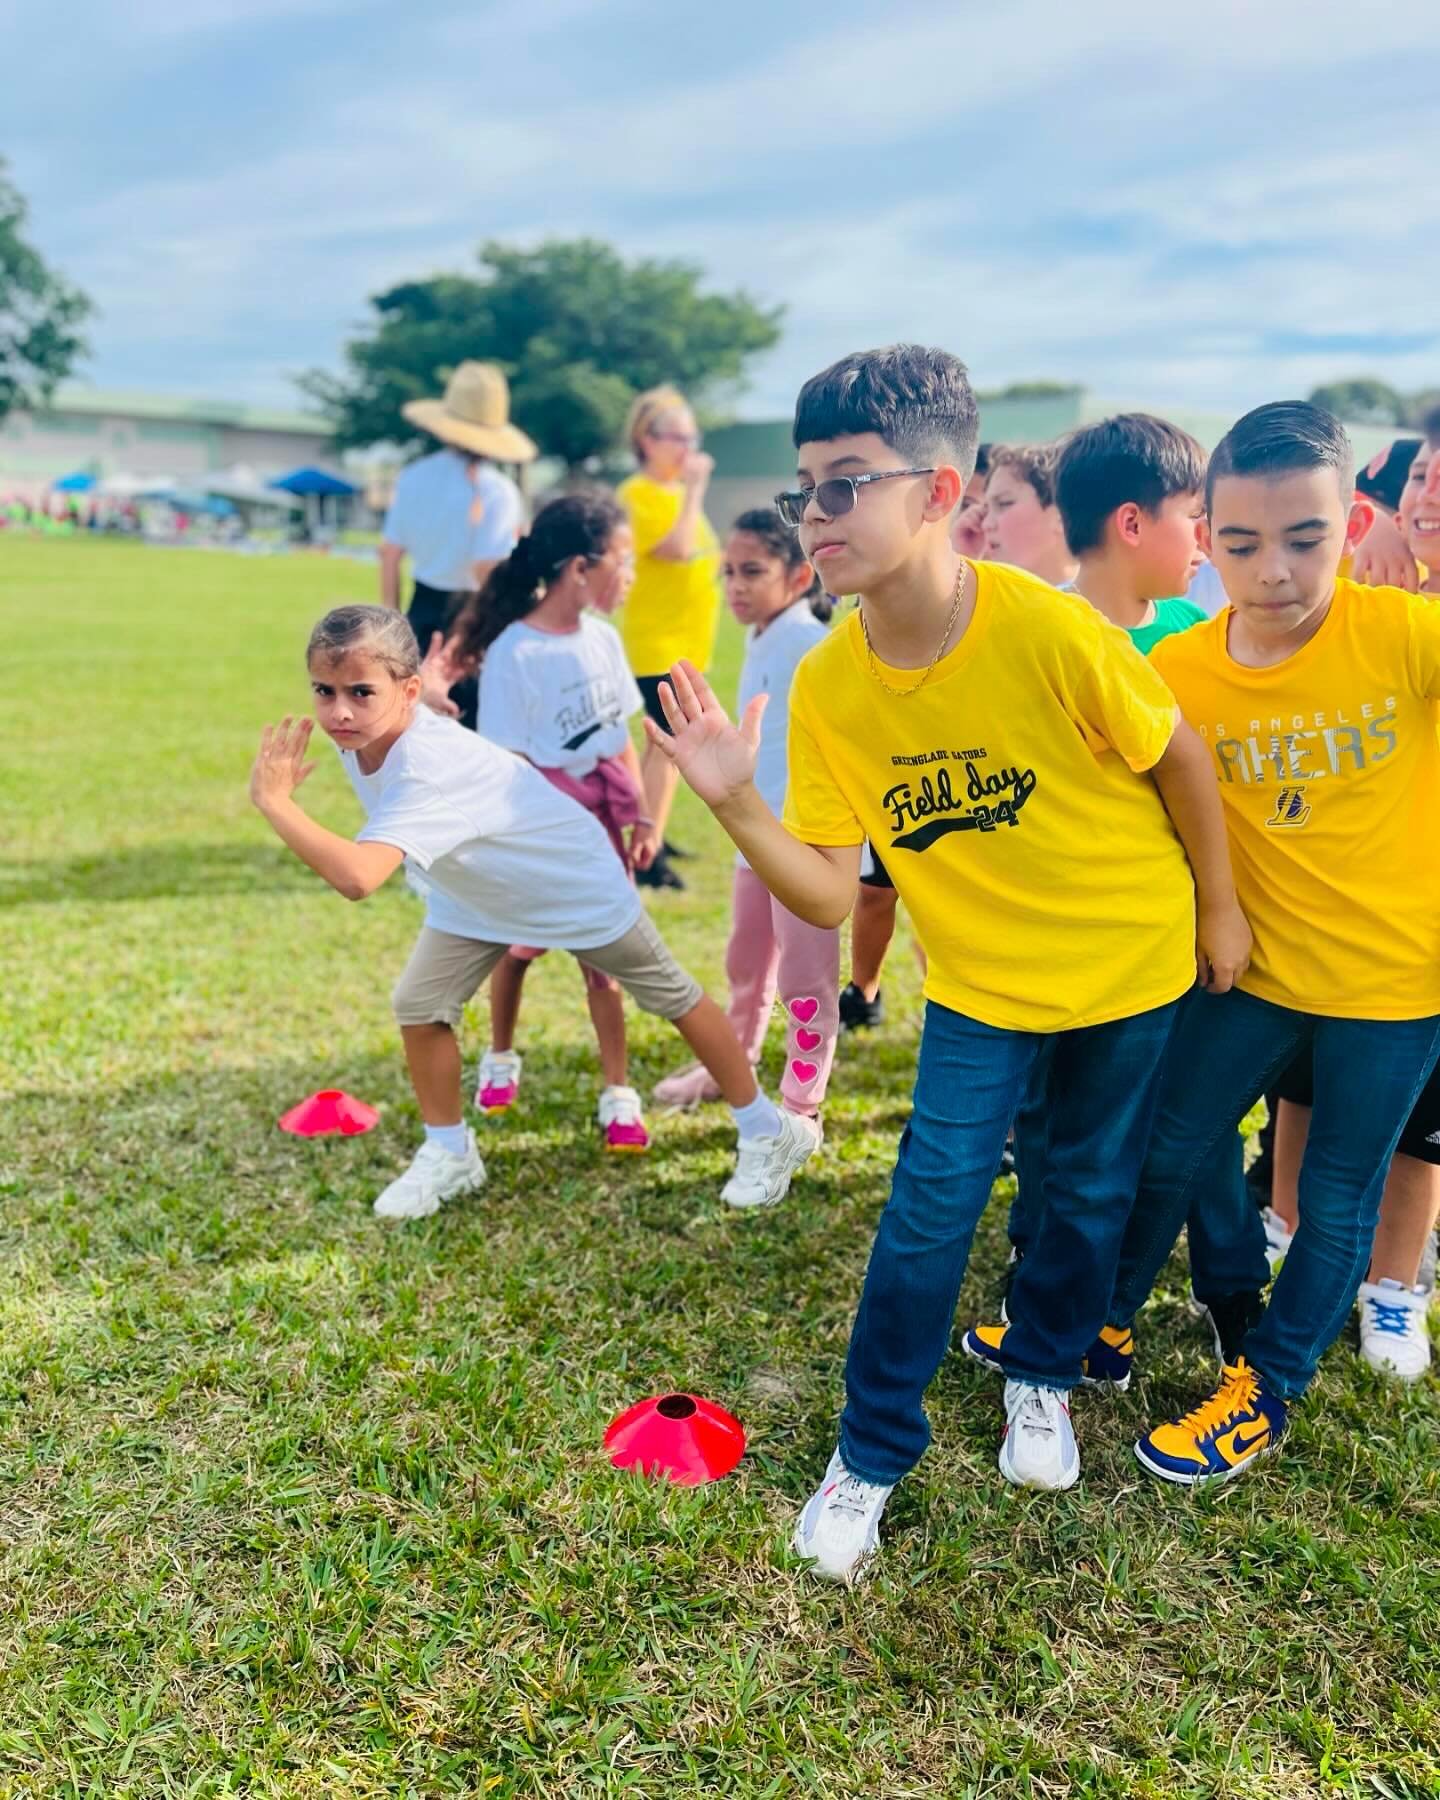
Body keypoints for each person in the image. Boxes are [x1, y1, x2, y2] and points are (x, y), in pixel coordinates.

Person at [648, 345, 1246, 1582]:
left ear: (938, 490)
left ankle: (1043, 1375)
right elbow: (827, 881)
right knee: (929, 1208)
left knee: (1083, 1189)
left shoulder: (1048, 628)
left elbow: (1180, 758)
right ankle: (871, 1449)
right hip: (981, 989)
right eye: (807, 486)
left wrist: (1220, 916)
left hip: (1131, 965)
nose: (817, 514)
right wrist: (732, 806)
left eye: (847, 481)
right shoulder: (830, 687)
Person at [1097, 402, 1440, 1487]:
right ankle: (1096, 1325)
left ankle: (1268, 1388)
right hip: (1249, 972)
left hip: (1396, 986)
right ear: (1204, 534)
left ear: (1354, 525)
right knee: (1167, 1143)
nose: (1274, 572)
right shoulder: (1184, 668)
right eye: (1241, 544)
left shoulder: (1402, 634)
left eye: (1307, 539)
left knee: (1339, 1194)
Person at [249, 605, 818, 1220]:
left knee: (672, 997)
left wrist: (275, 802)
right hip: (476, 893)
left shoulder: (423, 767)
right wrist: (422, 703)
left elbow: (359, 878)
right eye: (324, 691)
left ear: (406, 691)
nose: (339, 711)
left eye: (361, 692)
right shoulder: (370, 731)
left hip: (569, 882)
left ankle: (767, 1131)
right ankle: (450, 1153)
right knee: (419, 1003)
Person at [981, 413, 1238, 1338]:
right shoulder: (1040, 633)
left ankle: (1225, 1292)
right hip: (1063, 943)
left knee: (1183, 1123)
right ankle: (1042, 1271)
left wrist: (1220, 909)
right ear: (1134, 524)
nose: (1206, 538)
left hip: (1174, 934)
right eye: (1194, 516)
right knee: (1051, 1122)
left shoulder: (1192, 631)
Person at [425, 491, 663, 1153]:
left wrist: (642, 814)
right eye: (623, 560)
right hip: (542, 830)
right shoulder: (515, 652)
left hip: (601, 830)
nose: (631, 574)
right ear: (580, 568)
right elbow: (509, 763)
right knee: (517, 950)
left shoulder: (606, 640)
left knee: (605, 964)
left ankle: (618, 1090)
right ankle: (500, 1055)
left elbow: (619, 739)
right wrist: (549, 826)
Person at [652, 509, 837, 1138]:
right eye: (728, 571)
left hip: (804, 839)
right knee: (746, 961)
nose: (735, 584)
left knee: (805, 979)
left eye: (751, 570)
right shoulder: (763, 636)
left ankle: (802, 1106)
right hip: (752, 832)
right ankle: (732, 1067)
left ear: (797, 575)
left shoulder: (811, 642)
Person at [379, 362, 535, 728]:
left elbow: (389, 554)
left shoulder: (414, 476)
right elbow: (486, 570)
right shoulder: (497, 490)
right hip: (475, 614)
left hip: (420, 609)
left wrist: (390, 621)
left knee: (412, 728)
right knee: (470, 730)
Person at [617, 387, 723, 892]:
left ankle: (655, 828)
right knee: (668, 745)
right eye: (675, 438)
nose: (687, 448)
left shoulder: (675, 492)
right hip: (657, 640)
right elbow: (678, 549)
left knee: (666, 745)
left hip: (688, 640)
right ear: (647, 440)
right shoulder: (639, 494)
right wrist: (697, 490)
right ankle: (647, 851)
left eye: (691, 437)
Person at [982, 442, 1078, 587]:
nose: (986, 524)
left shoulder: (1099, 604)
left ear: (1060, 514)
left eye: (1004, 503)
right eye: (985, 510)